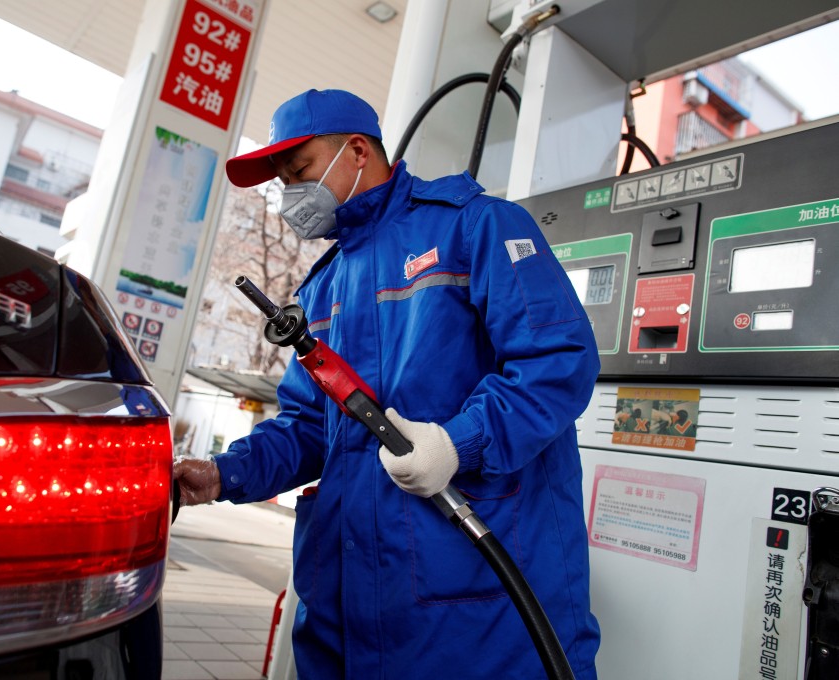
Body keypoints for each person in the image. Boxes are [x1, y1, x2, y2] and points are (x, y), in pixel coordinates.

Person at [175, 89, 601, 679]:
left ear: (355, 151)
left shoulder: (475, 227)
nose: (291, 195)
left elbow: (557, 362)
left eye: (298, 171)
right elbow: (308, 426)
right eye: (282, 181)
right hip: (350, 605)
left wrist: (459, 443)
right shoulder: (323, 288)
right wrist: (225, 473)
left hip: (479, 603)